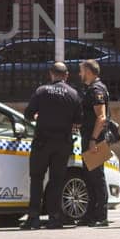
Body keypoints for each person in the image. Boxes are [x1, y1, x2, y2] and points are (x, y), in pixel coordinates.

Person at [22, 61, 82, 230]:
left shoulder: (42, 91)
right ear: (66, 75)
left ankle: (33, 217)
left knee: (37, 178)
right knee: (57, 181)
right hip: (62, 144)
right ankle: (54, 217)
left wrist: (38, 118)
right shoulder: (73, 94)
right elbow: (78, 121)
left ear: (51, 74)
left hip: (42, 142)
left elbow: (28, 114)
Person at [78, 59, 112, 227]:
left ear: (89, 72)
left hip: (95, 139)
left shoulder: (96, 89)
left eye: (81, 71)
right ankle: (90, 214)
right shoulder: (91, 89)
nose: (80, 74)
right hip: (90, 137)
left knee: (97, 177)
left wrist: (93, 139)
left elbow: (101, 117)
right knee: (89, 177)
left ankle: (101, 215)